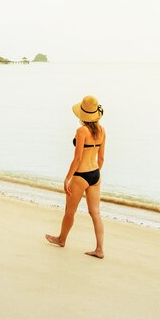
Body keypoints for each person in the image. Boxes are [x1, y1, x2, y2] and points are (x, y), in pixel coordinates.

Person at [45, 95, 106, 259]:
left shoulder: (81, 131)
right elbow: (101, 159)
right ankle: (100, 249)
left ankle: (61, 239)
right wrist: (95, 172)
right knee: (95, 213)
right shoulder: (102, 130)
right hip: (95, 175)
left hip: (81, 175)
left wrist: (68, 178)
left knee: (69, 211)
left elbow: (78, 158)